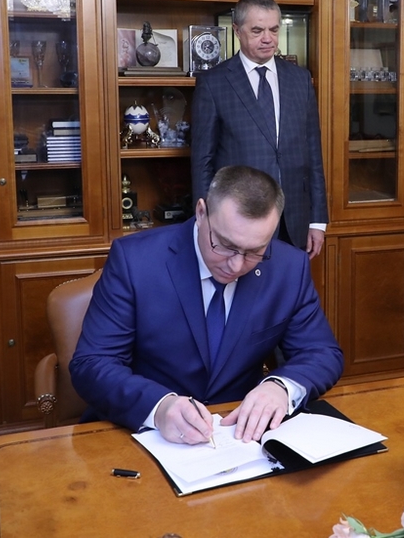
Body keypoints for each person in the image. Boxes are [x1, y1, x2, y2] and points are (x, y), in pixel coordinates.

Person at [70, 165, 343, 444]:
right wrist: (158, 406)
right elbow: (92, 363)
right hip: (144, 434)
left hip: (237, 437)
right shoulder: (135, 261)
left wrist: (281, 388)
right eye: (224, 245)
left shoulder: (289, 267)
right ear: (201, 213)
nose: (236, 265)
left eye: (254, 252)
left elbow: (322, 352)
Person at [191, 0, 328, 259]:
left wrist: (318, 220)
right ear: (237, 31)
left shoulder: (300, 80)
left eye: (274, 30)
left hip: (295, 220)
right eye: (257, 31)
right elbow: (202, 160)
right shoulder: (213, 83)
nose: (268, 38)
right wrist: (205, 221)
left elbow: (314, 153)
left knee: (289, 286)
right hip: (238, 221)